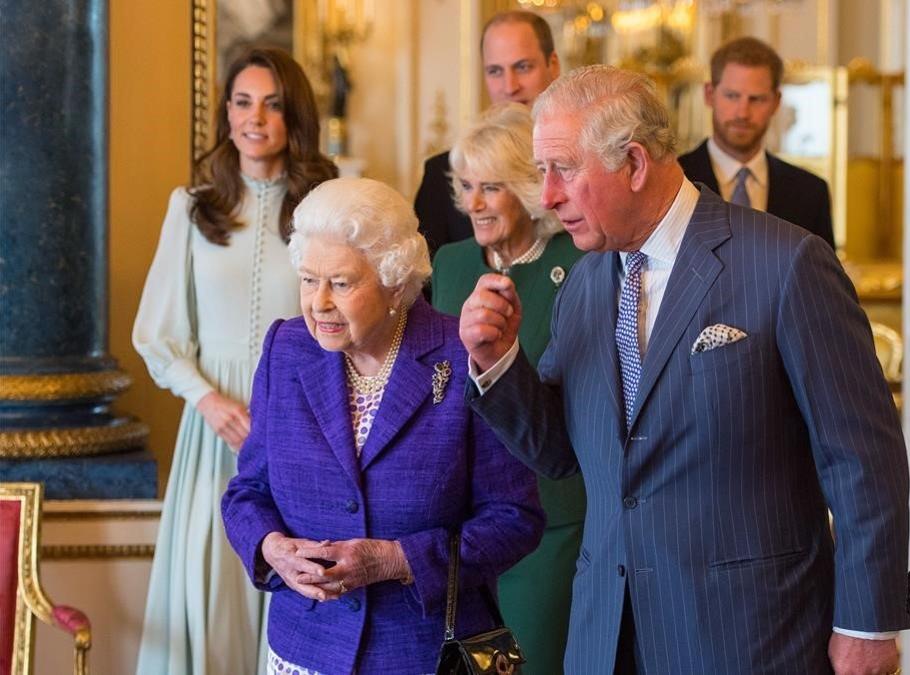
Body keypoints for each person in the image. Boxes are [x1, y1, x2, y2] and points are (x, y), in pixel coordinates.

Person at [460, 65, 910, 675]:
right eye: (543, 173)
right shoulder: (586, 284)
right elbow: (565, 452)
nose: (548, 196)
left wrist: (867, 623)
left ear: (635, 164)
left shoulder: (786, 265)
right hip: (605, 635)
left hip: (749, 634)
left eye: (563, 169)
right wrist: (497, 363)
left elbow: (862, 459)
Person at [221, 177, 545, 674]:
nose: (319, 302)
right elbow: (248, 491)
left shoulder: (460, 355)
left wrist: (397, 560)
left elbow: (516, 518)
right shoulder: (285, 349)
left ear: (394, 280)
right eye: (309, 279)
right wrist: (271, 549)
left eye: (342, 283)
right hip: (306, 650)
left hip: (424, 654)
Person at [132, 46, 338, 675]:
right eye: (243, 102)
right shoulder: (192, 207)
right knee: (214, 588)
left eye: (272, 104)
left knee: (289, 584)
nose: (256, 118)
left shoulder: (324, 208)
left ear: (293, 116)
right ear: (226, 115)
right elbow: (157, 332)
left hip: (301, 430)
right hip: (212, 429)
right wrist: (208, 400)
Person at [431, 103, 585, 675]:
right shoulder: (448, 264)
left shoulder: (581, 264)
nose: (472, 203)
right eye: (466, 186)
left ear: (527, 186)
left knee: (533, 665)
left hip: (550, 521)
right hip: (463, 526)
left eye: (490, 187)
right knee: (476, 668)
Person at [414, 10, 561, 259]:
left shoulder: (580, 167)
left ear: (553, 65)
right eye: (495, 71)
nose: (509, 86)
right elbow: (430, 291)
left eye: (523, 67)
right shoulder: (441, 175)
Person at [677, 36, 835, 249]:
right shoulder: (676, 180)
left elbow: (820, 279)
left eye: (757, 99)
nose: (743, 113)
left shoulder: (810, 192)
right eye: (732, 96)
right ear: (709, 95)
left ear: (776, 102)